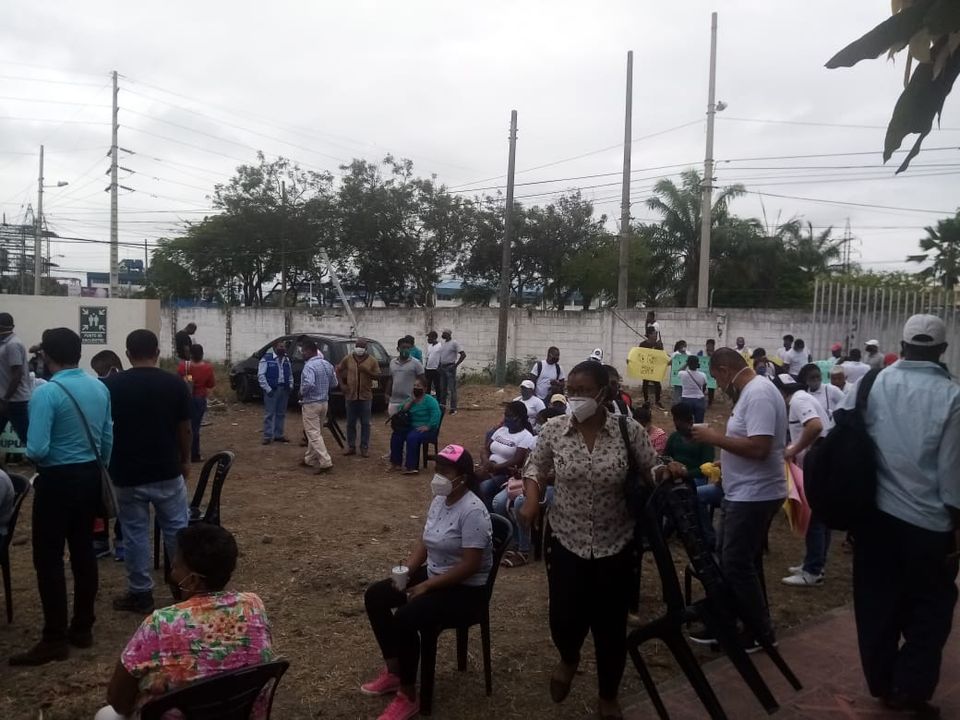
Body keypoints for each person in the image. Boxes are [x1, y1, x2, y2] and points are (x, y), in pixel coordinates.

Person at [520, 361, 679, 719]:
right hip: (566, 539)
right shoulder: (554, 429)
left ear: (604, 393)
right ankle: (569, 657)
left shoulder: (628, 430)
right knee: (563, 617)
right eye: (571, 390)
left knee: (610, 626)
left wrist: (666, 471)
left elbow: (650, 467)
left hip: (616, 543)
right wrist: (531, 501)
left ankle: (608, 694)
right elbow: (535, 467)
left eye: (583, 391)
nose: (575, 397)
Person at [845, 315, 960, 716]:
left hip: (875, 520)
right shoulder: (953, 396)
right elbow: (951, 473)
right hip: (928, 526)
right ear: (942, 350)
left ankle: (883, 682)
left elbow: (843, 435)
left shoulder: (872, 383)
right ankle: (910, 687)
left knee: (876, 603)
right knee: (931, 609)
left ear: (904, 345)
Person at [361, 444, 492, 720]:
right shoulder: (439, 500)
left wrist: (427, 586)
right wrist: (408, 571)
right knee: (376, 596)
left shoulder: (473, 511)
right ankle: (395, 671)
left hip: (465, 590)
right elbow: (426, 539)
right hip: (435, 572)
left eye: (445, 471)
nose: (438, 476)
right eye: (437, 469)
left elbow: (471, 565)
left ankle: (408, 695)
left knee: (407, 616)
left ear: (462, 477)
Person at [94, 524, 276, 720]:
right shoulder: (253, 605)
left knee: (106, 715)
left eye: (175, 567)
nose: (171, 574)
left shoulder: (160, 624)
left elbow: (118, 700)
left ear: (194, 580)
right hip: (239, 714)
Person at [9, 328, 113, 666]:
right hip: (90, 477)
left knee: (49, 558)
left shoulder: (47, 393)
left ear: (47, 356)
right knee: (84, 550)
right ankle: (83, 628)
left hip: (56, 481)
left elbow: (37, 448)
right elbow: (107, 438)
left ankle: (54, 637)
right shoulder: (99, 387)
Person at [691, 348, 788, 651]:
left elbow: (760, 447)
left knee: (736, 563)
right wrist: (726, 460)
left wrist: (714, 438)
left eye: (717, 379)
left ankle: (760, 631)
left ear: (724, 370)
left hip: (754, 495)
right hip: (744, 491)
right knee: (735, 560)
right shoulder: (751, 393)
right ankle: (729, 621)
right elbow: (750, 441)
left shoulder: (758, 393)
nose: (719, 386)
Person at [104, 329, 191, 616]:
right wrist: (185, 460)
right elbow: (184, 428)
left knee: (134, 534)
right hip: (167, 469)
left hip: (127, 472)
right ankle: (184, 589)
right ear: (157, 352)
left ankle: (141, 594)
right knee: (177, 530)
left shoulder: (111, 386)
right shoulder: (175, 384)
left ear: (128, 354)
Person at [772, 373, 832, 588]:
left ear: (781, 391)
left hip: (818, 465)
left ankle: (812, 571)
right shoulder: (803, 398)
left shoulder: (798, 400)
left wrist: (793, 450)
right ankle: (815, 563)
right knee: (820, 517)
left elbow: (815, 427)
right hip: (822, 462)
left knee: (813, 517)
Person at [665, 402, 719, 548]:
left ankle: (707, 536)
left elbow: (707, 467)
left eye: (678, 421)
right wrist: (671, 467)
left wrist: (686, 474)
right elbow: (665, 457)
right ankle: (673, 525)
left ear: (689, 421)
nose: (676, 424)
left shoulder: (703, 440)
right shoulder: (675, 437)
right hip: (675, 475)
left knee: (691, 494)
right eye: (675, 420)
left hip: (696, 477)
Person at [90, 351, 125, 562]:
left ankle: (113, 541)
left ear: (113, 368)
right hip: (109, 452)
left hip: (112, 452)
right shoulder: (100, 388)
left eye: (100, 372)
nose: (99, 377)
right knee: (104, 499)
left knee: (117, 499)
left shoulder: (104, 388)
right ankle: (107, 541)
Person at [477, 400, 536, 506]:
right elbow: (485, 449)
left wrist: (495, 467)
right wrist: (486, 462)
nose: (505, 418)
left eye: (508, 415)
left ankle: (490, 513)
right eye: (505, 414)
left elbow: (517, 459)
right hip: (489, 467)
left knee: (484, 488)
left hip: (504, 473)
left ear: (518, 418)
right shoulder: (502, 430)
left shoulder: (526, 436)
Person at [337, 338, 379, 458]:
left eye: (362, 346)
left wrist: (367, 371)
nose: (359, 348)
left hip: (365, 397)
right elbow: (338, 369)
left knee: (365, 423)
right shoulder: (348, 358)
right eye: (357, 346)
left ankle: (364, 447)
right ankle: (351, 446)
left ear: (366, 348)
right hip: (351, 396)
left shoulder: (372, 360)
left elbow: (378, 376)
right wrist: (342, 385)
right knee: (350, 423)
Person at [300, 339, 338, 475]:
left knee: (313, 433)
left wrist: (301, 392)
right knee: (316, 432)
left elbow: (309, 383)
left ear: (310, 351)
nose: (302, 354)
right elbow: (334, 383)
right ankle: (310, 458)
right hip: (324, 402)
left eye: (303, 351)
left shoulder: (309, 366)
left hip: (311, 403)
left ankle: (325, 461)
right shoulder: (327, 364)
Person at [390, 378, 441, 475]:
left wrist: (428, 426)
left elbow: (436, 415)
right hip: (411, 427)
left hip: (428, 429)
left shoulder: (430, 401)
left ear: (424, 388)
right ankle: (396, 463)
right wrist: (411, 402)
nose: (415, 388)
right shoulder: (411, 399)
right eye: (414, 386)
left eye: (418, 386)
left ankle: (411, 466)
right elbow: (402, 410)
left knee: (412, 437)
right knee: (397, 435)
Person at [177, 344, 215, 462]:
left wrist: (189, 379)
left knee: (182, 425)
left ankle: (182, 452)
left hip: (185, 398)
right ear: (202, 354)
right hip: (199, 399)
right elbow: (211, 384)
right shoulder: (208, 368)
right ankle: (194, 454)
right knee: (195, 427)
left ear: (190, 354)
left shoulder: (183, 366)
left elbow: (177, 381)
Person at [0, 312, 31, 445]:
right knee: (26, 437)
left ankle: (39, 457)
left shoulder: (12, 344)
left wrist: (5, 399)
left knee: (26, 437)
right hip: (6, 399)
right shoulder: (4, 344)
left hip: (15, 401)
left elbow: (17, 374)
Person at [257, 340, 293, 445]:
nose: (282, 348)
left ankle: (279, 435)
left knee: (281, 413)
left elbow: (290, 374)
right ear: (274, 348)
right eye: (280, 346)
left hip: (284, 389)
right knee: (269, 414)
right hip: (272, 390)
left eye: (284, 346)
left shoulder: (286, 359)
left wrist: (290, 386)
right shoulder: (266, 359)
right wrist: (267, 389)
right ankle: (268, 436)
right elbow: (261, 375)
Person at [387, 337, 425, 417]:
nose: (406, 350)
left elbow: (423, 380)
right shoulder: (392, 362)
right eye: (403, 347)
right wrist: (387, 393)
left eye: (408, 348)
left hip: (410, 400)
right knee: (394, 422)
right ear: (398, 349)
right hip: (394, 401)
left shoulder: (416, 363)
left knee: (408, 422)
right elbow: (390, 379)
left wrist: (420, 397)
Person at [436, 329, 466, 414]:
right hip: (442, 368)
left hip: (450, 368)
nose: (442, 335)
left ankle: (453, 408)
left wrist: (455, 365)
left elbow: (463, 355)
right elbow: (442, 356)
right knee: (443, 389)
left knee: (452, 389)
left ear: (448, 334)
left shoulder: (454, 343)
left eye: (444, 333)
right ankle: (443, 407)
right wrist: (439, 365)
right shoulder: (443, 344)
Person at [639, 330, 665, 409]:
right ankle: (646, 400)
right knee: (645, 383)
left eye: (656, 334)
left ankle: (657, 401)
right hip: (646, 367)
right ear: (649, 335)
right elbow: (639, 355)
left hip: (655, 367)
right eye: (654, 334)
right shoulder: (643, 344)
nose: (656, 335)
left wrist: (661, 347)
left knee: (658, 385)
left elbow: (661, 355)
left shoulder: (658, 344)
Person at [679, 355, 708, 423]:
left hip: (686, 399)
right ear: (697, 364)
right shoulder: (703, 375)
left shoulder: (682, 374)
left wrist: (686, 364)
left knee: (685, 422)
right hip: (699, 400)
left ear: (688, 363)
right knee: (699, 423)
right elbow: (704, 387)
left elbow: (679, 370)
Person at [698, 339, 717, 406]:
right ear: (706, 345)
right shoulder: (701, 352)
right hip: (703, 374)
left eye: (711, 346)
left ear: (713, 346)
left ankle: (710, 403)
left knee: (711, 389)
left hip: (711, 375)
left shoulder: (716, 354)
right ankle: (700, 400)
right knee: (701, 388)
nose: (710, 347)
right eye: (708, 345)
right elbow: (697, 359)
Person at [424, 331, 441, 395]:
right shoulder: (429, 346)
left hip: (436, 369)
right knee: (427, 386)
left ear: (434, 337)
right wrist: (425, 367)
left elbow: (442, 357)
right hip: (428, 369)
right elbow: (428, 357)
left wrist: (439, 367)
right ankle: (428, 399)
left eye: (429, 337)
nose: (428, 339)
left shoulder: (440, 346)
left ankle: (439, 400)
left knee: (437, 386)